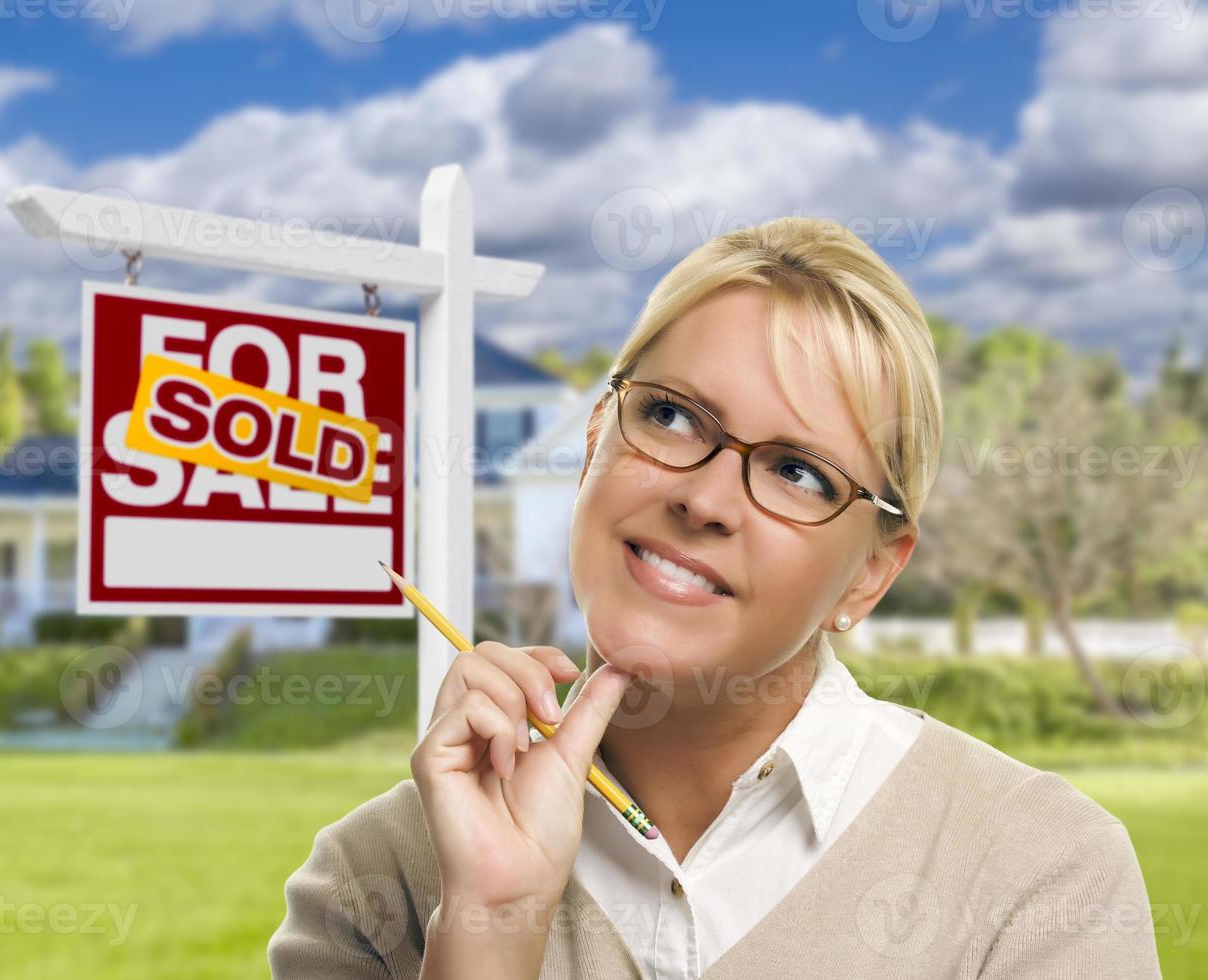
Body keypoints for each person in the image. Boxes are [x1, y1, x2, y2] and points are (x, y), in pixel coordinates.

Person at [268, 217, 1161, 979]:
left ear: (870, 573)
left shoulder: (1037, 874)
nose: (702, 498)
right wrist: (489, 928)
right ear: (592, 444)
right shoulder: (372, 882)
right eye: (669, 416)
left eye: (798, 472)